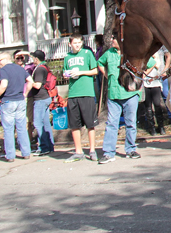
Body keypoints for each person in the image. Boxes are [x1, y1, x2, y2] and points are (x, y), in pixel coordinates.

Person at [98, 36, 152, 163]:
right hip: (113, 94)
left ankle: (130, 149)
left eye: (114, 38)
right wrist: (107, 76)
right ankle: (108, 153)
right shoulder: (108, 53)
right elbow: (100, 63)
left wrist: (140, 78)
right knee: (111, 123)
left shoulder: (132, 53)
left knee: (131, 123)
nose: (112, 40)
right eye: (111, 37)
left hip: (130, 94)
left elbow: (151, 64)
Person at [63, 33, 99, 162]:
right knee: (74, 125)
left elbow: (95, 71)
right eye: (75, 43)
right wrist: (66, 74)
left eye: (79, 42)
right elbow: (65, 72)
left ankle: (92, 150)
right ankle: (78, 151)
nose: (77, 45)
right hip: (73, 94)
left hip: (87, 93)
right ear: (70, 44)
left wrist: (81, 72)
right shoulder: (67, 57)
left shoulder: (87, 53)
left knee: (90, 124)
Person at [0, 52, 33, 161]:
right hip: (20, 101)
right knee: (21, 128)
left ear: (6, 59)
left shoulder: (4, 70)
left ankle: (10, 155)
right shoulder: (20, 69)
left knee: (8, 129)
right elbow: (30, 81)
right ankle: (26, 153)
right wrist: (25, 93)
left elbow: (4, 84)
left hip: (8, 101)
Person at [28, 50, 54, 156]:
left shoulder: (39, 69)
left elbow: (37, 85)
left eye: (33, 58)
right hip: (46, 97)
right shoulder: (45, 66)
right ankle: (50, 146)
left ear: (36, 59)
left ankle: (43, 147)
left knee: (38, 123)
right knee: (46, 123)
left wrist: (29, 80)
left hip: (40, 99)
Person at [141, 47, 167, 135]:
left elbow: (160, 65)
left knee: (157, 104)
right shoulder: (144, 56)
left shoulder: (157, 55)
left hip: (156, 82)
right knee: (148, 106)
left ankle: (161, 126)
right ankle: (151, 127)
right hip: (146, 83)